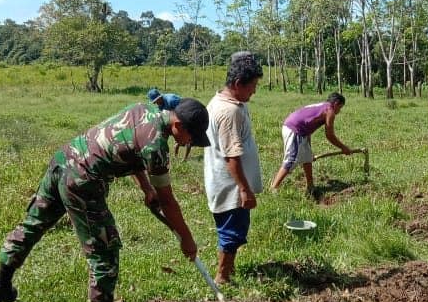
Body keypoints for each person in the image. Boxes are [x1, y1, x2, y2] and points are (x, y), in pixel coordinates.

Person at [0, 98, 210, 302]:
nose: (191, 144)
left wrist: (146, 188)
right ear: (179, 127)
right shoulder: (156, 147)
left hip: (63, 161)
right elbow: (168, 201)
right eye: (192, 138)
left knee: (34, 224)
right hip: (83, 182)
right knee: (104, 247)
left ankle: (1, 283)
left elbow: (131, 151)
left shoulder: (145, 109)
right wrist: (186, 238)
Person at [203, 51, 264, 284]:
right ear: (238, 84)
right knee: (231, 231)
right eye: (252, 86)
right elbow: (232, 156)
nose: (254, 90)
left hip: (225, 182)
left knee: (232, 228)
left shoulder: (224, 100)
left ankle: (228, 270)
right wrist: (245, 189)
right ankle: (223, 277)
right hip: (231, 186)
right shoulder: (229, 112)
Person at [269, 93, 354, 194]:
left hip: (298, 129)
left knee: (307, 157)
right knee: (291, 159)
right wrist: (343, 147)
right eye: (340, 108)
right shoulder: (330, 111)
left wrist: (309, 147)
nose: (339, 111)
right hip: (294, 129)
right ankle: (273, 188)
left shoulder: (322, 106)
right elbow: (329, 135)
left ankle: (310, 186)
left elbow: (308, 125)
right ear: (336, 104)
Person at [149, 88, 193, 160]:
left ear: (159, 97)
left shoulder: (171, 100)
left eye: (155, 101)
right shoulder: (160, 104)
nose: (155, 103)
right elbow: (162, 115)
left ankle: (185, 158)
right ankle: (175, 158)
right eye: (154, 102)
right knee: (176, 140)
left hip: (185, 114)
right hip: (175, 118)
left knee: (187, 138)